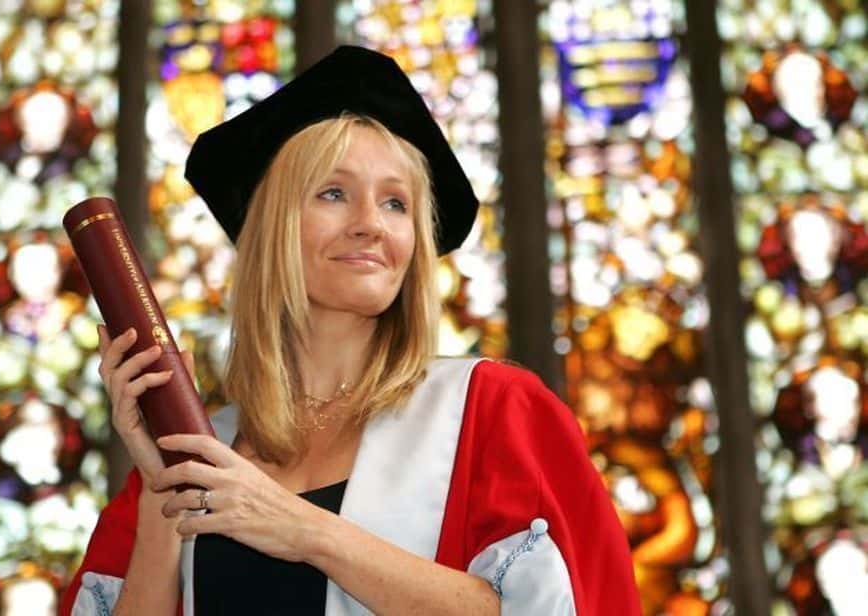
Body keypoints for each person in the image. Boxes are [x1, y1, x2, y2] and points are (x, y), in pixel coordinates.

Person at [59, 46, 640, 616]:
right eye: (334, 193)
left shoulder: (490, 412)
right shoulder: (201, 450)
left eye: (396, 203)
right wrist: (162, 494)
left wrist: (305, 530)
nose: (370, 225)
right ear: (272, 230)